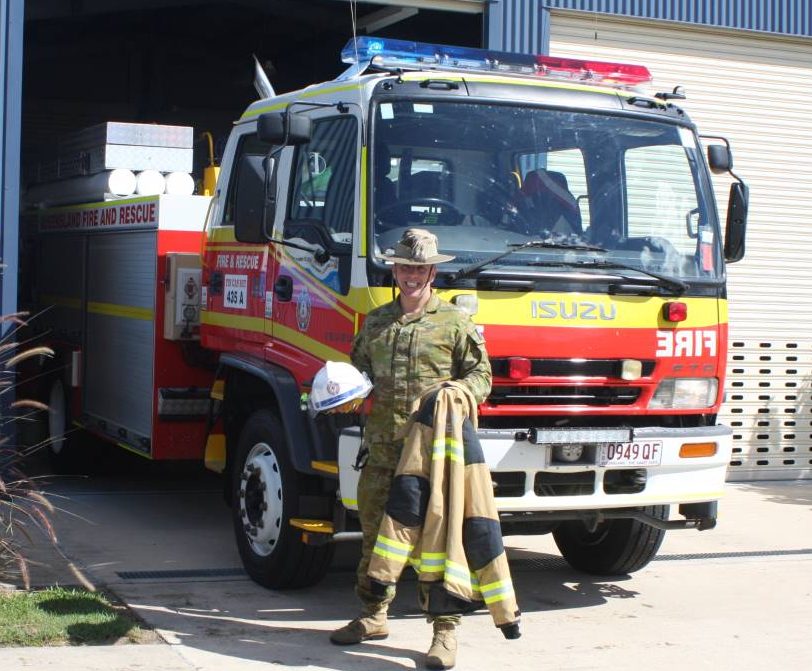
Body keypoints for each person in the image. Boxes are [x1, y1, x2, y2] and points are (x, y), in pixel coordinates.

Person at [330, 228, 492, 669]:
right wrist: (338, 391)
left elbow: (482, 377)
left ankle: (444, 634)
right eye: (405, 267)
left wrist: (458, 391)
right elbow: (357, 377)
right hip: (382, 452)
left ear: (433, 272)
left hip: (432, 456)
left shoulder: (455, 323)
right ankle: (371, 616)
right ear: (395, 270)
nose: (412, 275)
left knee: (436, 546)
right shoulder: (376, 323)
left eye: (420, 268)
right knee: (375, 540)